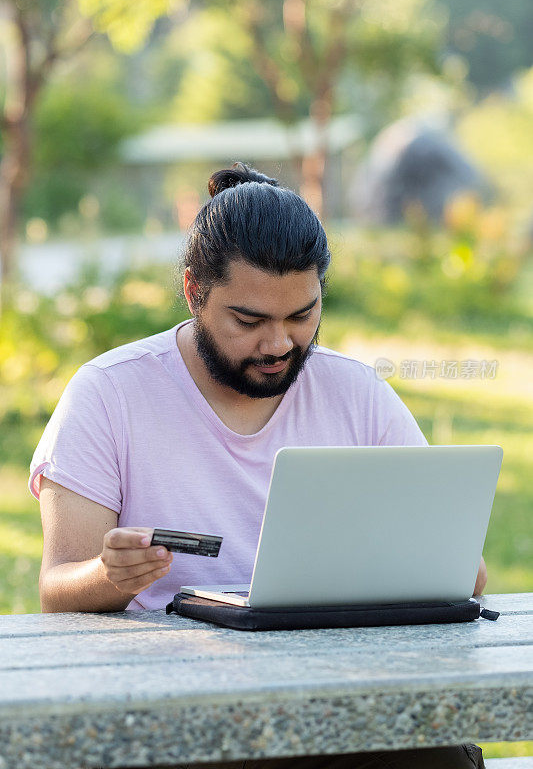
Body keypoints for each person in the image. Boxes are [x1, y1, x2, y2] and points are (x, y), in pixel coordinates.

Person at [29, 163, 486, 768]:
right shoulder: (108, 394)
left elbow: (466, 573)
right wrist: (111, 577)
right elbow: (57, 589)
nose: (278, 345)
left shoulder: (357, 393)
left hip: (341, 695)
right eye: (249, 321)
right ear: (194, 291)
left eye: (302, 316)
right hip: (180, 707)